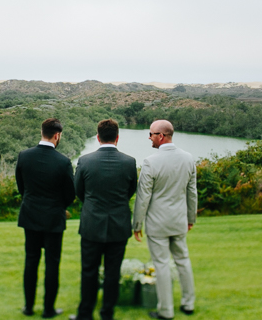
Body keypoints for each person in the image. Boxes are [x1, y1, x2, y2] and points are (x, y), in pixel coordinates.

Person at [70, 119, 138, 320]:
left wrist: (92, 205)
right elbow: (130, 191)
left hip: (92, 223)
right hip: (119, 224)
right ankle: (107, 314)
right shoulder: (129, 162)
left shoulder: (85, 161)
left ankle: (85, 314)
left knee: (89, 271)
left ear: (98, 137)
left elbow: (78, 191)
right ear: (117, 137)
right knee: (112, 273)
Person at [132, 120, 197, 319]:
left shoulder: (150, 162)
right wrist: (190, 218)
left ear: (161, 136)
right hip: (179, 221)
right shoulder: (188, 159)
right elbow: (191, 193)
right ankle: (188, 304)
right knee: (183, 261)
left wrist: (137, 224)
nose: (149, 138)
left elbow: (143, 197)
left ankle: (166, 311)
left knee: (161, 265)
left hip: (157, 224)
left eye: (151, 134)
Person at [16, 118, 76, 319]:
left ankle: (28, 307)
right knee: (52, 263)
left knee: (31, 262)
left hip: (30, 215)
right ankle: (48, 310)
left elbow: (21, 188)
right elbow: (70, 194)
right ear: (57, 135)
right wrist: (60, 207)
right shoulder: (63, 161)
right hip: (53, 218)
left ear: (42, 132)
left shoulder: (24, 156)